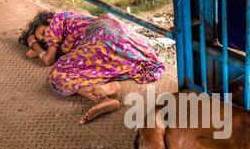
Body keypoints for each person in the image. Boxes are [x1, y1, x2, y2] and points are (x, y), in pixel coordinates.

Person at [19, 11, 165, 124]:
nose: (47, 39)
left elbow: (48, 59)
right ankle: (105, 90)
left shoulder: (57, 19)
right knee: (77, 66)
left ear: (49, 21)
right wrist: (36, 45)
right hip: (125, 52)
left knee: (57, 73)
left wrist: (34, 44)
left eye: (44, 32)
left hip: (102, 37)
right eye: (44, 41)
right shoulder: (69, 31)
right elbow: (30, 54)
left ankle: (103, 94)